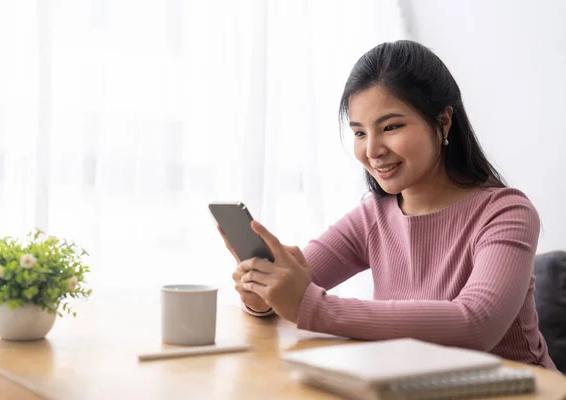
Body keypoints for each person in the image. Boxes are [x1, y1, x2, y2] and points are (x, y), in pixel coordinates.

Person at [219, 40, 556, 369]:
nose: (373, 150)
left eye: (391, 127)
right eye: (360, 133)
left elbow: (476, 324)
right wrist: (263, 296)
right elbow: (298, 283)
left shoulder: (506, 213)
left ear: (443, 122)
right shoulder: (374, 216)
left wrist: (311, 306)